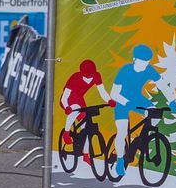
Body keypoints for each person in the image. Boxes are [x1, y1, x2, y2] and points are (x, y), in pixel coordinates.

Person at [108, 45, 163, 178]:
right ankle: (120, 161)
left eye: (146, 62)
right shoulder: (125, 70)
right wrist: (127, 103)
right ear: (134, 59)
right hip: (122, 101)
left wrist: (173, 101)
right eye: (141, 62)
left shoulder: (149, 69)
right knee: (122, 131)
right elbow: (114, 93)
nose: (144, 65)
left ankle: (140, 140)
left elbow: (163, 85)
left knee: (155, 115)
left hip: (137, 98)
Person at [59, 60, 113, 159]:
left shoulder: (96, 76)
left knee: (87, 127)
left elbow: (102, 91)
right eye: (87, 75)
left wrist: (109, 100)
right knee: (76, 108)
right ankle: (66, 132)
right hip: (68, 100)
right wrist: (67, 107)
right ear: (82, 73)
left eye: (91, 75)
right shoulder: (75, 77)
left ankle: (86, 154)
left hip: (79, 99)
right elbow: (64, 97)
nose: (89, 78)